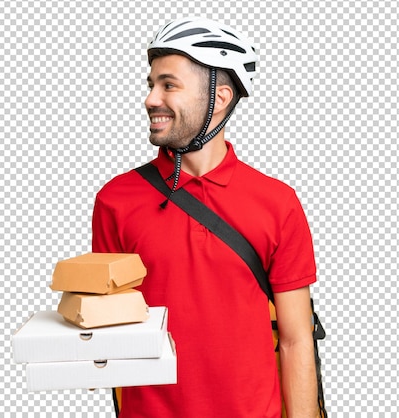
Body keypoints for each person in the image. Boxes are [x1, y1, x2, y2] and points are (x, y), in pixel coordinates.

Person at [92, 17, 320, 418]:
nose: (150, 99)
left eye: (169, 85)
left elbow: (297, 340)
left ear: (221, 97)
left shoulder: (277, 202)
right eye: (151, 85)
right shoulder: (116, 200)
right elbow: (105, 325)